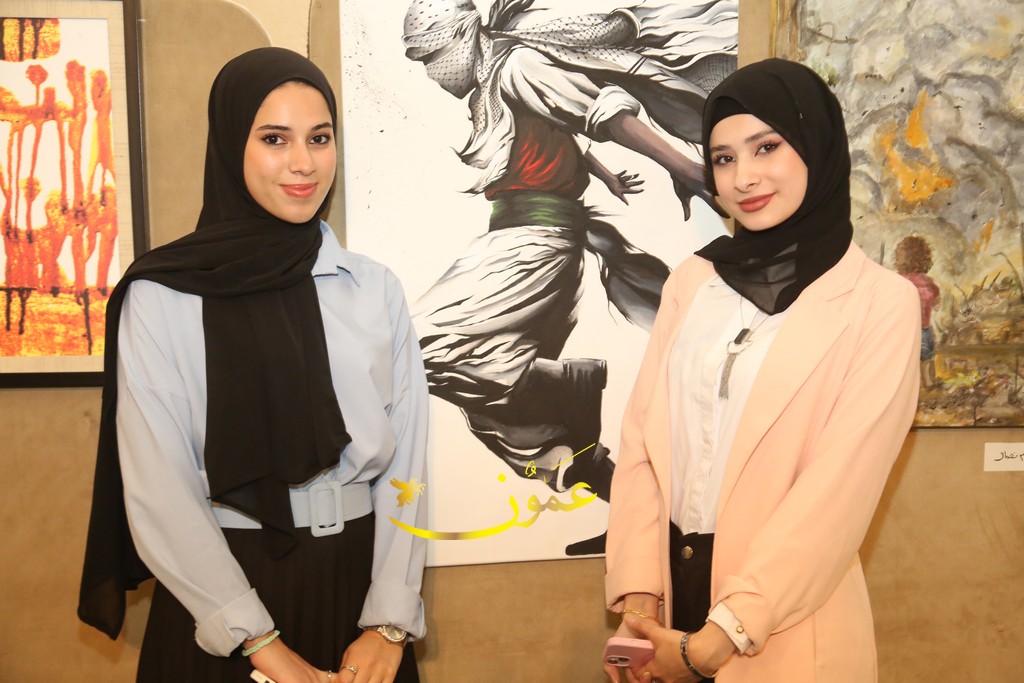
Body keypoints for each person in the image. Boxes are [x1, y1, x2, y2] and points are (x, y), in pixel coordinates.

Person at [78, 48, 427, 683]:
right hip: (220, 602)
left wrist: (389, 623)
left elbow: (408, 465)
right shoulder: (163, 294)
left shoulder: (373, 288)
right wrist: (259, 641)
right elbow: (159, 487)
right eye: (274, 139)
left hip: (362, 599)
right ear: (230, 146)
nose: (304, 163)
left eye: (319, 138)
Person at [603, 58, 921, 682]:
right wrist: (639, 601)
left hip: (780, 623)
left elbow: (836, 494)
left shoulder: (882, 302)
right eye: (723, 158)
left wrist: (720, 637)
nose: (743, 177)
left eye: (766, 147)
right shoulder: (693, 280)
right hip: (669, 599)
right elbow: (643, 440)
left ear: (815, 147)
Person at [404, 0, 737, 520]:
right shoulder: (495, 82)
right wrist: (604, 174)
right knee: (491, 411)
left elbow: (602, 112)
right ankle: (627, 509)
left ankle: (572, 387)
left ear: (463, 37)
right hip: (515, 236)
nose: (431, 72)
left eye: (431, 56)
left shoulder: (517, 66)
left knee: (419, 345)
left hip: (533, 243)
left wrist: (685, 168)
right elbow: (559, 129)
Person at [894, 234, 941, 389]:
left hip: (903, 329)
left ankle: (905, 385)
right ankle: (928, 381)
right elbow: (936, 302)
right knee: (926, 358)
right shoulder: (928, 282)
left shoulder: (897, 281)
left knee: (905, 358)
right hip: (924, 328)